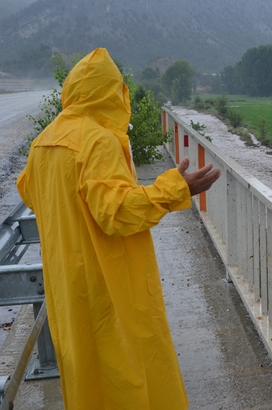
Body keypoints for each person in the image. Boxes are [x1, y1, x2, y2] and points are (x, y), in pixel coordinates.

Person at [16, 48, 220, 409]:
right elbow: (117, 212)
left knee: (85, 380)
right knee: (128, 376)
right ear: (114, 93)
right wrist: (175, 189)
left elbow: (31, 191)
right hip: (107, 286)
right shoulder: (99, 140)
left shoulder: (42, 142)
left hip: (67, 288)